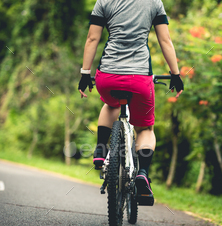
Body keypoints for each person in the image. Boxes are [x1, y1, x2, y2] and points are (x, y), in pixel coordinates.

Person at [78, 0, 183, 198]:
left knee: (110, 104)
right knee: (146, 128)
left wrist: (85, 73)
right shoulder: (154, 3)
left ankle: (101, 148)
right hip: (140, 78)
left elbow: (92, 39)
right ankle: (142, 172)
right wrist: (175, 75)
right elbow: (165, 40)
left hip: (108, 76)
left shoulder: (104, 2)